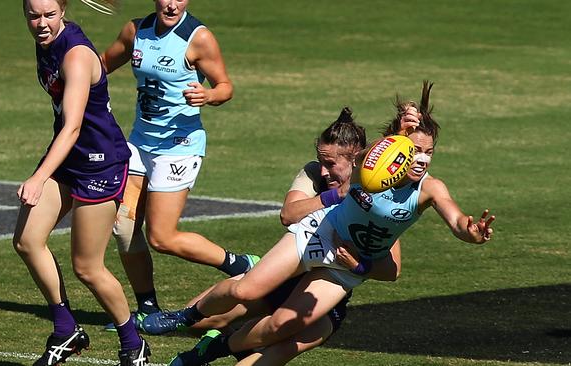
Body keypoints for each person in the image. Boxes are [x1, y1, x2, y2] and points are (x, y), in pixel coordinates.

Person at [141, 81, 496, 365]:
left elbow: (455, 218)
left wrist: (471, 232)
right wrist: (400, 131)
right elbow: (368, 160)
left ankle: (210, 352)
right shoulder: (370, 167)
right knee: (244, 290)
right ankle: (184, 316)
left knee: (281, 326)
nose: (421, 159)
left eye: (429, 152)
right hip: (321, 233)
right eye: (415, 150)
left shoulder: (429, 189)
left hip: (344, 269)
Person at [167, 107, 404, 365]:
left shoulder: (379, 199)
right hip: (283, 277)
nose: (324, 171)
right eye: (321, 161)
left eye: (331, 164)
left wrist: (358, 265)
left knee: (280, 344)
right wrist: (337, 194)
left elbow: (391, 270)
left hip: (323, 293)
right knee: (198, 323)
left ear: (356, 160)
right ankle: (228, 325)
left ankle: (224, 344)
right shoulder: (315, 173)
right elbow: (289, 215)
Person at [99, 0, 259, 331]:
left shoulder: (197, 38)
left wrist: (208, 96)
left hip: (179, 149)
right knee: (124, 228)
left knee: (161, 237)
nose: (172, 4)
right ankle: (146, 309)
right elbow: (100, 65)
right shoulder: (135, 30)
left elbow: (225, 86)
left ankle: (241, 263)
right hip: (139, 143)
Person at [14, 1, 149, 365]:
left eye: (49, 16)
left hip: (99, 164)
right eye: (33, 16)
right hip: (68, 158)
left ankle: (133, 342)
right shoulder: (46, 43)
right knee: (27, 241)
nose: (41, 24)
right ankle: (65, 330)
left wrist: (39, 177)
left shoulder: (75, 55)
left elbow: (73, 125)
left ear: (63, 11)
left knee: (87, 267)